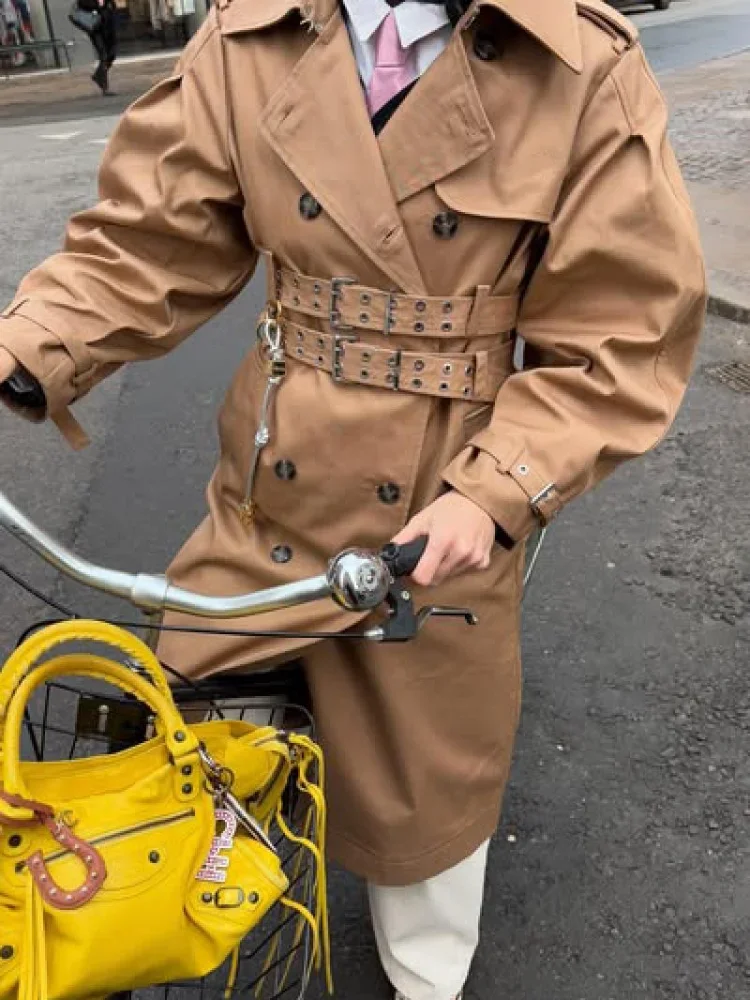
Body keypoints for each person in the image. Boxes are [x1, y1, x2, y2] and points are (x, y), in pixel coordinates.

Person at [0, 0, 706, 996]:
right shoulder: (249, 37)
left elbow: (619, 330)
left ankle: (423, 976)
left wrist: (495, 491)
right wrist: (25, 346)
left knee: (428, 808)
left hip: (439, 516)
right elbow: (147, 242)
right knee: (174, 741)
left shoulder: (579, 60)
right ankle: (168, 918)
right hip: (270, 491)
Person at [70, 0, 117, 95]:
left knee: (111, 55)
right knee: (103, 56)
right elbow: (83, 5)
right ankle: (104, 87)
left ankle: (98, 76)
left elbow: (112, 5)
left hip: (108, 27)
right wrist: (98, 6)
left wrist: (109, 6)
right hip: (96, 30)